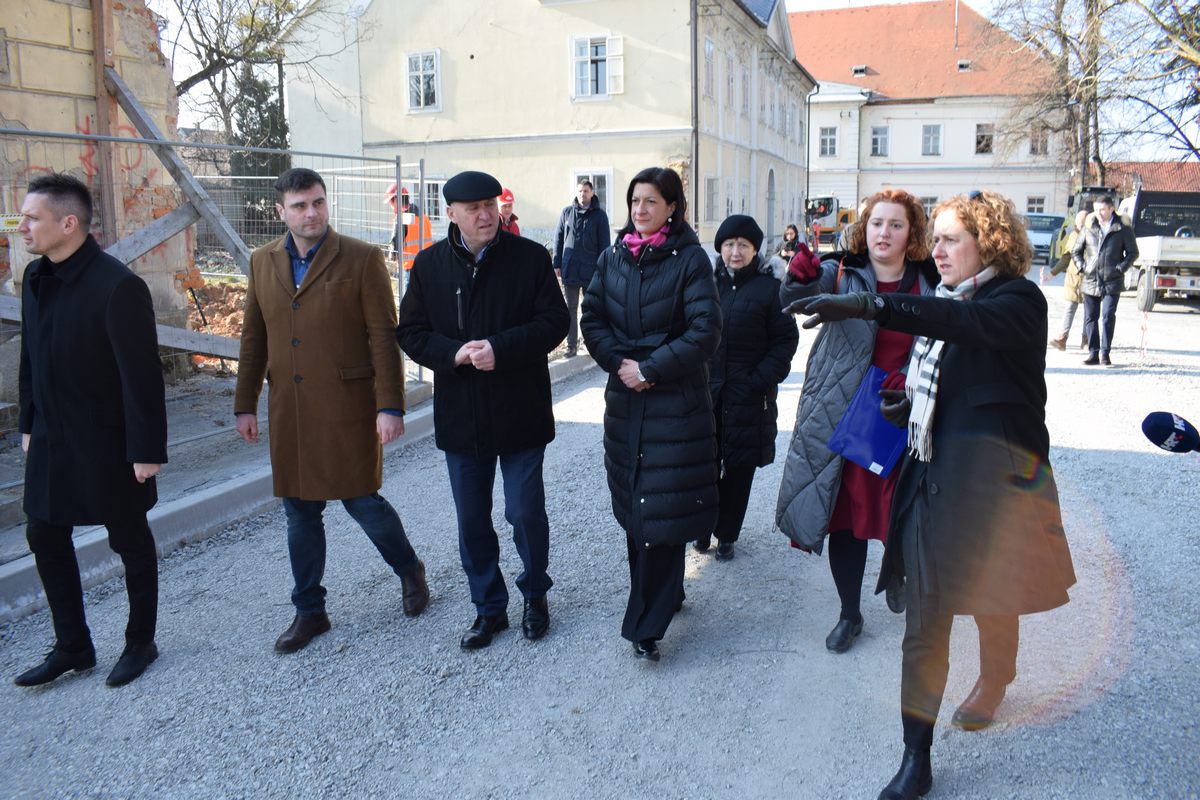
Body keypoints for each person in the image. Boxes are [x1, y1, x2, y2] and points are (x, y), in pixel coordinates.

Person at [789, 190, 1076, 800]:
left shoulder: (1016, 301)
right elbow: (939, 371)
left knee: (994, 602)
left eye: (950, 240)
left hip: (995, 491)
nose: (937, 251)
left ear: (987, 243)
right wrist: (909, 404)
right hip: (929, 481)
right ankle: (914, 756)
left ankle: (996, 677)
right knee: (926, 624)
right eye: (936, 239)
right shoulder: (944, 298)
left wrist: (873, 303)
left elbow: (965, 327)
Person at [236, 167, 430, 655]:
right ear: (281, 212)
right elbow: (254, 337)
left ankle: (410, 570)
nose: (311, 213)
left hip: (348, 408)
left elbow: (382, 337)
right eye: (300, 206)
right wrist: (245, 405)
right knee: (299, 512)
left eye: (318, 202)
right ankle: (310, 610)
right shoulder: (261, 262)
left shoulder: (361, 258)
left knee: (363, 502)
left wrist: (390, 405)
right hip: (291, 411)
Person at [397, 170, 568, 650]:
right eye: (473, 208)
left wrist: (501, 348)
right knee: (472, 521)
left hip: (520, 410)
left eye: (490, 205)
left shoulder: (530, 257)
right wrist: (453, 354)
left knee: (524, 512)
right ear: (451, 213)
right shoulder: (429, 265)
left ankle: (535, 594)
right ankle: (489, 608)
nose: (485, 214)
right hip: (462, 415)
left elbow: (555, 321)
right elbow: (410, 331)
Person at [14, 173, 167, 688]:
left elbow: (142, 377)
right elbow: (30, 357)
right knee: (43, 533)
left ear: (68, 224)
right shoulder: (34, 277)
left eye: (31, 218)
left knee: (129, 540)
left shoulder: (118, 286)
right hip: (51, 438)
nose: (22, 227)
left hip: (109, 442)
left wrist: (146, 449)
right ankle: (73, 646)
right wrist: (28, 422)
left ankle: (140, 642)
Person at [775, 189, 938, 654]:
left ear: (911, 234)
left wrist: (911, 384)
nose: (884, 232)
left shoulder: (928, 281)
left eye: (896, 224)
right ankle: (850, 613)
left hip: (903, 415)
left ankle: (897, 570)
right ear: (864, 229)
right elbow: (799, 295)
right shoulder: (842, 271)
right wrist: (801, 275)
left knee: (904, 513)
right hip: (846, 414)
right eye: (876, 223)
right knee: (846, 520)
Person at [580, 166, 722, 662]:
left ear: (672, 207)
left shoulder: (690, 260)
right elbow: (591, 317)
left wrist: (651, 367)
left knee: (662, 505)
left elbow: (705, 330)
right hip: (626, 399)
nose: (640, 210)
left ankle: (646, 624)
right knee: (636, 507)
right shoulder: (613, 256)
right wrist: (621, 363)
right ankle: (664, 594)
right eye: (635, 201)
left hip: (674, 402)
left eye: (651, 202)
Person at [695, 215, 798, 561]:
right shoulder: (707, 285)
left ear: (755, 250)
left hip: (749, 395)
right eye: (729, 245)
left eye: (743, 245)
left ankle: (727, 533)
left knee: (739, 468)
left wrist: (759, 380)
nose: (735, 252)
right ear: (720, 248)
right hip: (708, 393)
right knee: (703, 463)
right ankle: (702, 528)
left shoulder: (770, 290)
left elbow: (785, 341)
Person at [1072, 195, 1138, 367]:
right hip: (1091, 279)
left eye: (1102, 209)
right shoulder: (1089, 227)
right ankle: (1093, 353)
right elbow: (1076, 251)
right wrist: (1083, 267)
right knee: (1090, 318)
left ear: (1111, 209)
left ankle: (1105, 354)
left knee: (1108, 316)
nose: (1099, 213)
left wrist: (1120, 268)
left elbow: (1133, 253)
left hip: (1112, 280)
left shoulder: (1122, 228)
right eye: (1096, 210)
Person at [553, 179, 612, 358]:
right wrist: (557, 263)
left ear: (592, 193)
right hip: (570, 268)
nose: (582, 194)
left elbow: (605, 245)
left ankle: (590, 343)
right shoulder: (567, 213)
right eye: (579, 190)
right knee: (570, 309)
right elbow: (558, 238)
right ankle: (571, 346)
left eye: (586, 191)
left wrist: (603, 268)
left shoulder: (600, 216)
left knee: (590, 309)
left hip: (591, 270)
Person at [1048, 210, 1089, 351]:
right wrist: (1052, 273)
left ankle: (1086, 339)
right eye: (1079, 223)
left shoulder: (1094, 236)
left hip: (1089, 278)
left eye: (1083, 223)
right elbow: (1065, 258)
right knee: (1070, 308)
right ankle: (1062, 338)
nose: (1080, 226)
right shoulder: (1073, 236)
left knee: (1089, 310)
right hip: (1073, 279)